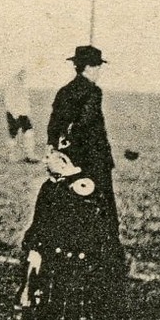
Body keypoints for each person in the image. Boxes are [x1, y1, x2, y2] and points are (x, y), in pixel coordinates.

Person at [17, 141, 128, 320]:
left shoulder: (82, 189)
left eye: (51, 155)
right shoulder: (50, 186)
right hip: (45, 252)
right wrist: (33, 247)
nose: (45, 159)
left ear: (65, 161)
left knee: (70, 303)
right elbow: (40, 222)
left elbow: (83, 232)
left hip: (70, 259)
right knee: (28, 295)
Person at [46, 44, 119, 234]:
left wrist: (56, 148)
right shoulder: (93, 92)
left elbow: (54, 125)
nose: (99, 71)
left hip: (67, 159)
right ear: (89, 67)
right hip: (93, 159)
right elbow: (86, 125)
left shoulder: (64, 91)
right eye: (97, 66)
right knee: (100, 207)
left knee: (70, 203)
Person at [5, 67, 38, 162]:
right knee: (14, 134)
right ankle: (12, 156)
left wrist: (27, 111)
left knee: (28, 132)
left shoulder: (22, 84)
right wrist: (14, 113)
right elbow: (9, 100)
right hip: (14, 113)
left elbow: (24, 100)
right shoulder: (13, 85)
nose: (24, 75)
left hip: (22, 113)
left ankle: (29, 155)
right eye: (22, 73)